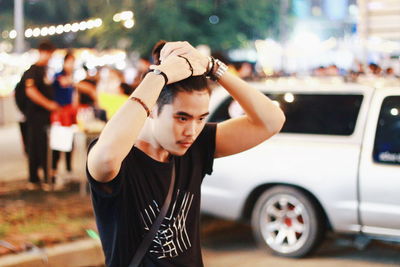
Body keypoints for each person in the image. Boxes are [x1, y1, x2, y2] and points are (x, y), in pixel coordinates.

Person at [87, 40, 286, 267]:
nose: (191, 131)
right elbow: (105, 158)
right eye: (182, 117)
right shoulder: (120, 157)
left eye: (201, 118)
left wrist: (212, 67)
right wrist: (159, 76)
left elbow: (272, 121)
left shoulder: (195, 145)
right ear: (152, 108)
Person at [24, 40, 59, 190]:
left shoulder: (45, 71)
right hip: (35, 116)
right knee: (36, 146)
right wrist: (48, 104)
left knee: (45, 146)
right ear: (42, 52)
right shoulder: (32, 71)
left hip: (44, 116)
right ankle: (35, 178)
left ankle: (45, 177)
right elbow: (30, 91)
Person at [51, 51, 76, 186]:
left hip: (70, 114)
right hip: (60, 115)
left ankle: (68, 170)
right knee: (58, 143)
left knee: (70, 143)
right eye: (70, 62)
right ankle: (53, 171)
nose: (72, 65)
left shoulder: (71, 77)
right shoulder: (58, 76)